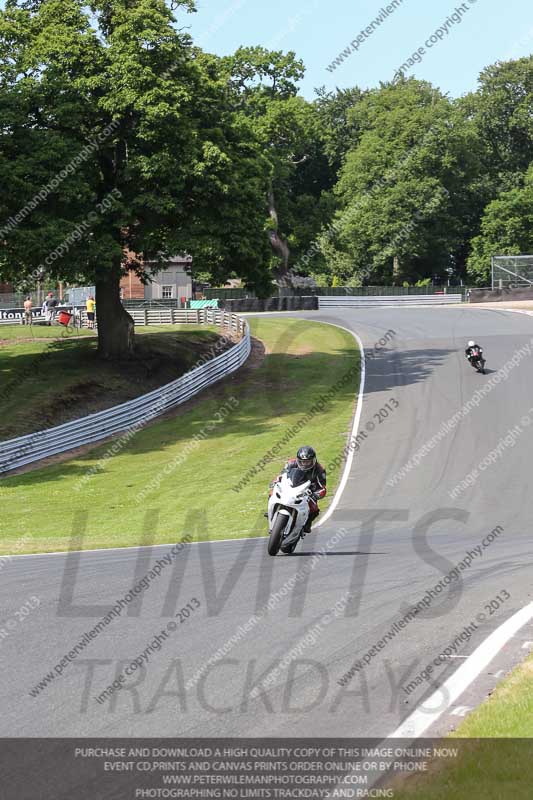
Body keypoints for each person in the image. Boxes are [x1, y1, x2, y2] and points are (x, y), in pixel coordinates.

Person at [269, 446, 327, 533]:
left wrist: (316, 494)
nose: (305, 464)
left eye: (308, 462)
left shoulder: (319, 470)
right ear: (298, 460)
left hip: (307, 492)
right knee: (272, 493)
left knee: (314, 509)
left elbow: (322, 487)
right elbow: (282, 475)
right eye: (302, 462)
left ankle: (307, 524)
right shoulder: (291, 463)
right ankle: (272, 511)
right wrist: (275, 481)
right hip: (290, 486)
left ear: (314, 460)